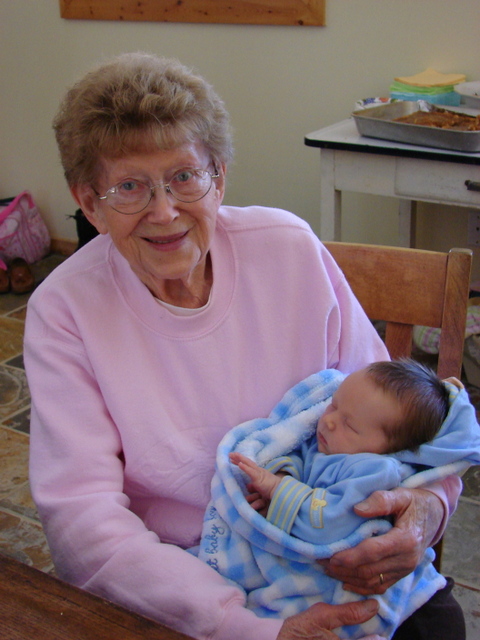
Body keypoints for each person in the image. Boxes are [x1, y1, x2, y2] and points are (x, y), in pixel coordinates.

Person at [24, 52, 463, 640]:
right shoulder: (65, 311)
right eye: (129, 187)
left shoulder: (288, 249)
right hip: (188, 581)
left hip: (333, 544)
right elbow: (82, 521)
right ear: (89, 203)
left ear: (220, 177)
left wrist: (429, 508)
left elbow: (402, 412)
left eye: (185, 176)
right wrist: (247, 627)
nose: (164, 211)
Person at [198, 360, 480, 638]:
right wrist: (282, 474)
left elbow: (328, 522)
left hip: (349, 582)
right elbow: (301, 457)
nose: (329, 420)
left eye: (350, 425)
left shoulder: (374, 471)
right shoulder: (331, 444)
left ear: (391, 449)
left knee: (442, 625)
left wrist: (278, 490)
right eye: (333, 405)